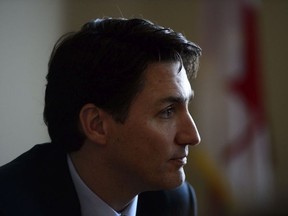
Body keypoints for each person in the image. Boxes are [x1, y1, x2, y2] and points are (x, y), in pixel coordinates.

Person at [0, 17, 201, 216]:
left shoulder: (174, 201)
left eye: (186, 106)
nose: (192, 136)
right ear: (96, 125)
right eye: (167, 111)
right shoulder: (9, 204)